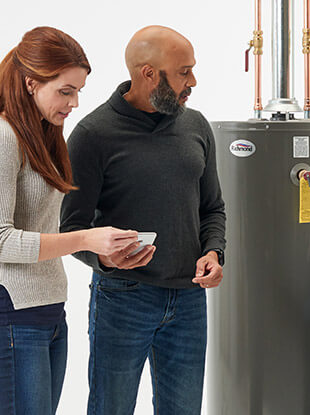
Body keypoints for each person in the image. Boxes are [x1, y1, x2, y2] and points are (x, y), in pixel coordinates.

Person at [60, 25, 226, 415]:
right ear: (148, 74)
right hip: (122, 299)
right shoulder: (92, 135)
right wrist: (104, 259)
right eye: (183, 72)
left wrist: (215, 253)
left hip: (189, 300)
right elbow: (71, 229)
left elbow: (212, 208)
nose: (193, 81)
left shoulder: (196, 126)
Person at [0, 27, 139, 415]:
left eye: (78, 91)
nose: (75, 102)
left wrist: (109, 247)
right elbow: (1, 240)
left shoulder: (44, 136)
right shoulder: (3, 137)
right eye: (65, 91)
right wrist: (86, 240)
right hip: (12, 313)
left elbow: (46, 225)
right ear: (31, 83)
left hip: (47, 310)